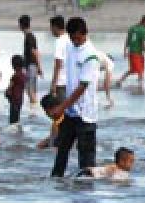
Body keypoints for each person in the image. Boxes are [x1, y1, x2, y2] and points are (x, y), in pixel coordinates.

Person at [47, 17, 100, 176]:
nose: (76, 41)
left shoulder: (90, 55)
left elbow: (82, 88)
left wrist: (61, 107)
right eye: (73, 38)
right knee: (61, 152)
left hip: (85, 115)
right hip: (70, 113)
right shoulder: (69, 46)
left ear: (85, 34)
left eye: (78, 38)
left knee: (86, 159)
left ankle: (86, 193)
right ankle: (56, 185)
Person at [116, 15, 145, 91]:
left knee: (134, 70)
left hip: (132, 52)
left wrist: (125, 50)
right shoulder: (143, 30)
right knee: (139, 70)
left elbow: (127, 40)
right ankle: (141, 86)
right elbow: (143, 43)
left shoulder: (132, 28)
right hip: (136, 53)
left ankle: (119, 81)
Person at [19, 14, 43, 105]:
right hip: (31, 66)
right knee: (29, 89)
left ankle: (34, 110)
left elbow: (35, 52)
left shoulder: (29, 36)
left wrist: (39, 67)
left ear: (21, 25)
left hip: (31, 66)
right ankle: (33, 109)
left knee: (30, 89)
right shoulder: (29, 36)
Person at [48, 15, 69, 98]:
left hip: (61, 82)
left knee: (60, 108)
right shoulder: (70, 38)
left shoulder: (59, 41)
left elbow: (58, 64)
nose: (51, 31)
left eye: (51, 28)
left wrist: (53, 84)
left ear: (55, 27)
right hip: (71, 81)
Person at [6, 55, 26, 135]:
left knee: (12, 119)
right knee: (17, 117)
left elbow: (9, 88)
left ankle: (13, 133)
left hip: (14, 99)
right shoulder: (23, 75)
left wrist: (7, 93)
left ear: (15, 65)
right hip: (20, 99)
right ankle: (18, 131)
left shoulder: (15, 76)